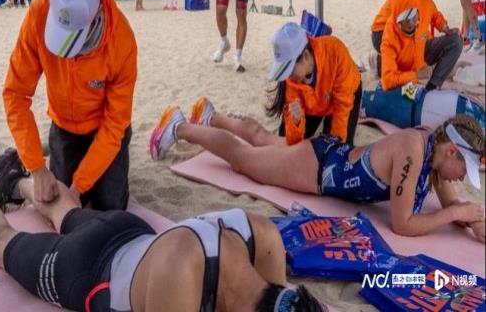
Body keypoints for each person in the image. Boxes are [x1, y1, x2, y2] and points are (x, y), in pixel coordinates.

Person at [0, 153, 325, 312]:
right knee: (2, 242)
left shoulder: (263, 237)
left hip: (132, 233)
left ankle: (16, 183)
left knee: (69, 213)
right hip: (86, 270)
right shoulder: (179, 287)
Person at [152, 101, 485, 243]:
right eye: (464, 169)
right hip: (317, 169)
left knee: (264, 140)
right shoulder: (413, 150)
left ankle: (211, 117)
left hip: (327, 154)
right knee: (243, 159)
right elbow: (403, 224)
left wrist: (474, 221)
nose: (461, 177)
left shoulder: (434, 151)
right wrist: (458, 213)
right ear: (452, 151)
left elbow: (452, 206)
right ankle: (180, 127)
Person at [2, 0, 137, 210]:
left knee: (109, 204)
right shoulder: (39, 13)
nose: (67, 55)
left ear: (97, 14)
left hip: (104, 128)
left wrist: (78, 188)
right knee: (54, 198)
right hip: (64, 125)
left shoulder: (122, 41)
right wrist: (37, 168)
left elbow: (115, 124)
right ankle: (14, 180)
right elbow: (15, 93)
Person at [267, 22, 362, 146]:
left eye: (289, 69)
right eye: (283, 71)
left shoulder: (335, 51)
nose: (287, 76)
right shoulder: (290, 79)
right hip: (314, 103)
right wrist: (296, 120)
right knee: (285, 141)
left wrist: (334, 147)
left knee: (336, 145)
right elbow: (293, 142)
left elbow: (342, 107)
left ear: (306, 56)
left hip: (344, 98)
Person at [371, 0, 458, 79]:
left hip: (387, 32)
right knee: (411, 57)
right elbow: (417, 37)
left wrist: (445, 28)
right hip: (381, 34)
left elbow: (434, 14)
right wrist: (420, 68)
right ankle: (379, 62)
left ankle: (385, 61)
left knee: (418, 49)